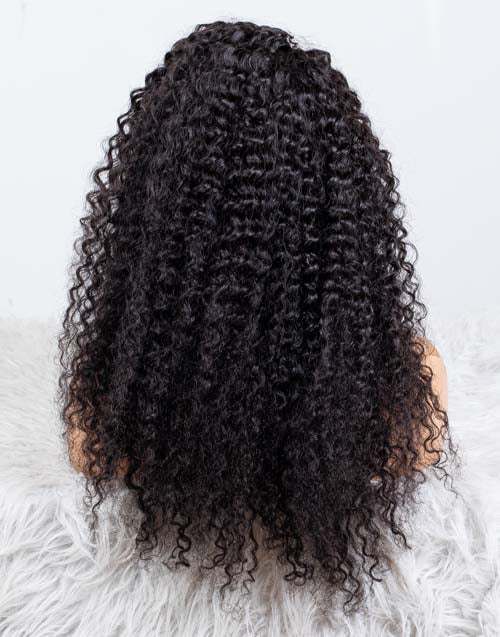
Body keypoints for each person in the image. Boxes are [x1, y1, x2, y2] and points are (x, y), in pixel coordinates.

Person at [58, 20, 458, 614]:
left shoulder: (117, 399)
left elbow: (88, 449)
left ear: (159, 194)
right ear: (343, 200)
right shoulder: (406, 393)